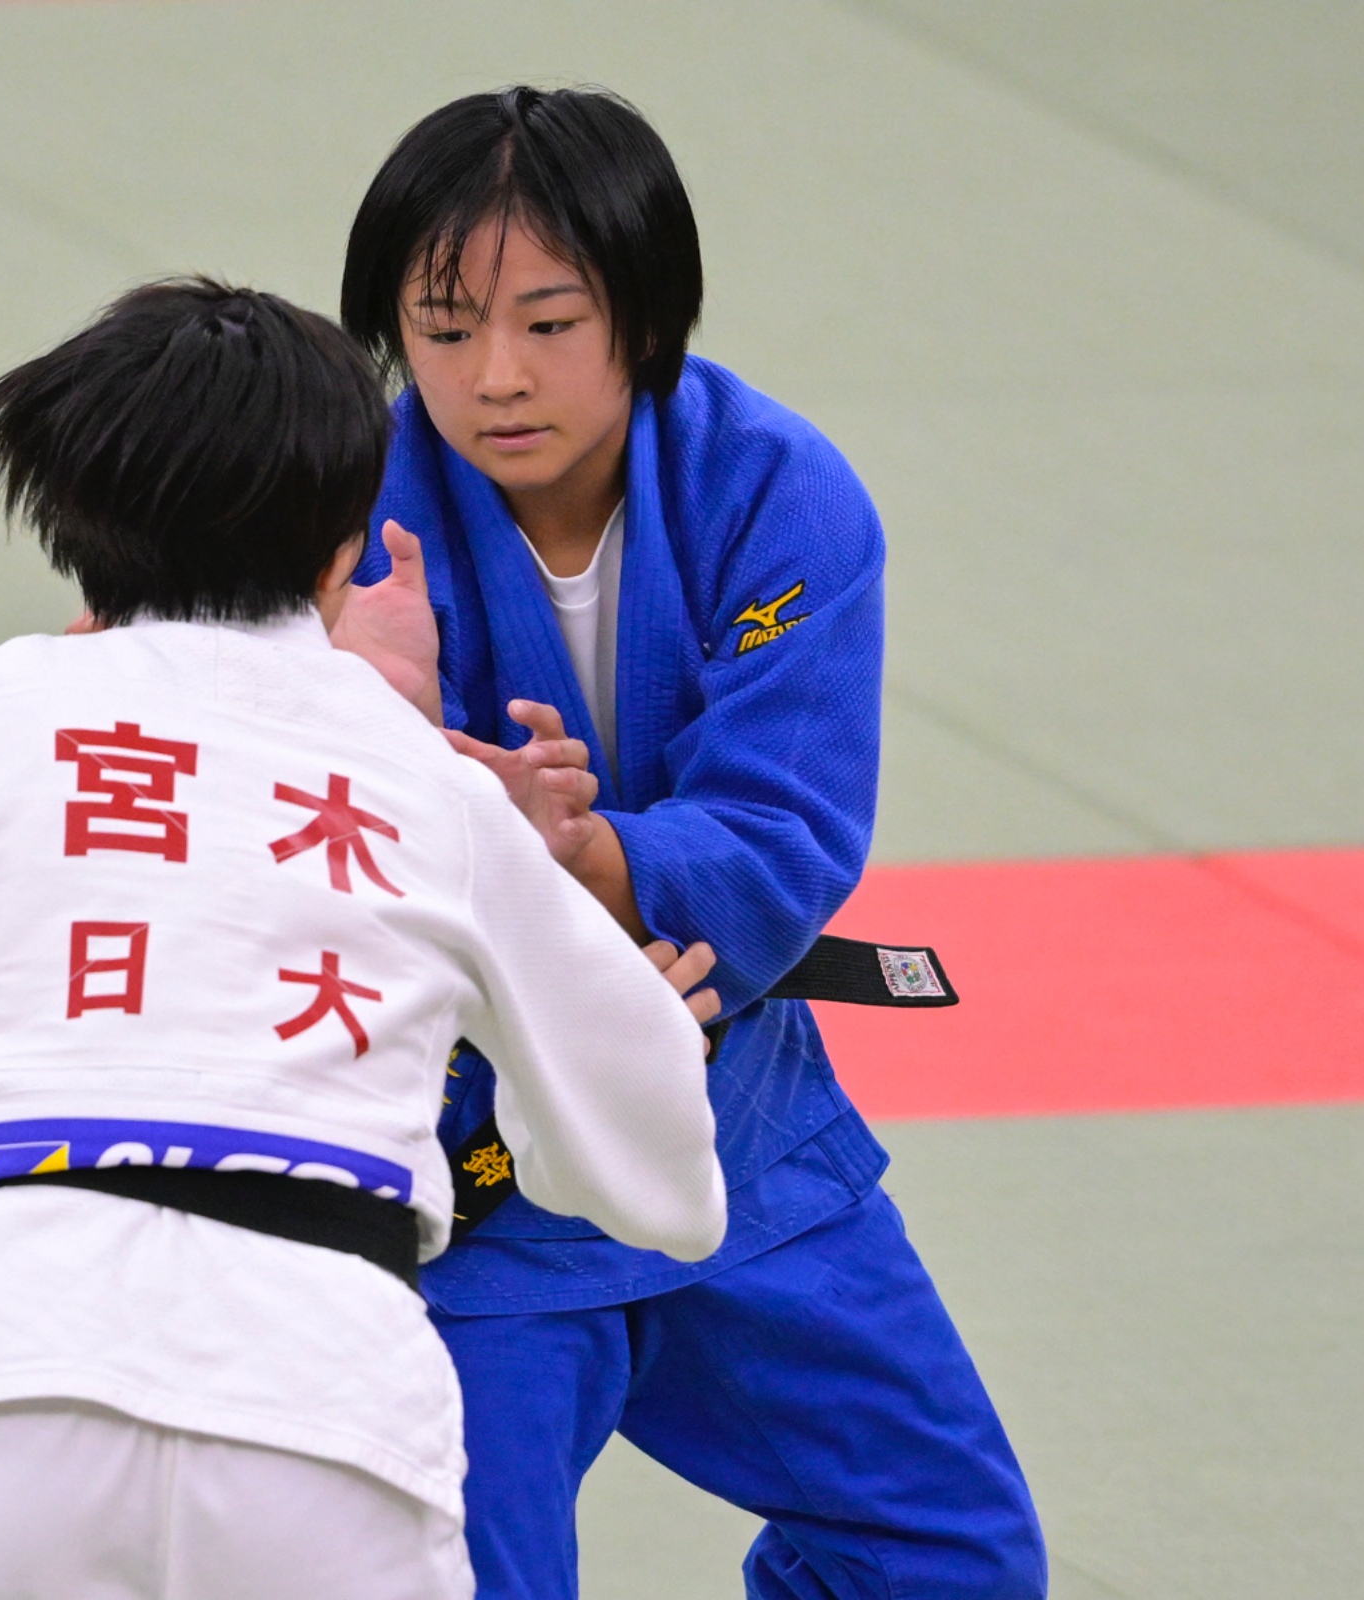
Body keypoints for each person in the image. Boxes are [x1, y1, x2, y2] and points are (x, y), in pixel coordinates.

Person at [0, 278, 730, 1600]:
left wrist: (41, 1124)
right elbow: (661, 1178)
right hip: (326, 1410)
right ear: (346, 543)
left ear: (63, 520)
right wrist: (576, 1106)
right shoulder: (429, 784)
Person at [333, 89, 1048, 1599]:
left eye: (548, 323)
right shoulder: (330, 519)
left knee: (947, 1557)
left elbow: (782, 836)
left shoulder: (773, 492)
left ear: (644, 315)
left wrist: (573, 858)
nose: (494, 375)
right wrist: (497, 861)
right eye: (443, 329)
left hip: (731, 1118)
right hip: (462, 1175)